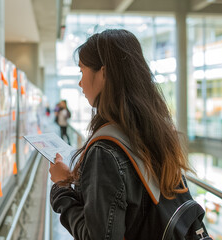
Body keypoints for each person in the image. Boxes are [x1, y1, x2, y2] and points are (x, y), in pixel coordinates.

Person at [48, 29, 193, 239]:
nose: (80, 83)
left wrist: (62, 189)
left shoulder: (105, 150)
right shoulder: (156, 131)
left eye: (82, 71)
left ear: (104, 74)